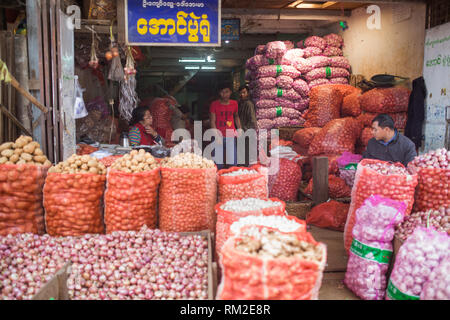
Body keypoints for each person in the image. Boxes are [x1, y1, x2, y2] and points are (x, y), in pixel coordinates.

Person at [209, 83, 242, 169]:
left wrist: (239, 128)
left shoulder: (234, 103)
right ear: (219, 93)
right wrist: (216, 136)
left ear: (230, 92)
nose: (224, 94)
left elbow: (236, 116)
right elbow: (212, 121)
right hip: (218, 135)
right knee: (218, 164)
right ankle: (218, 179)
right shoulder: (214, 104)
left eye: (226, 92)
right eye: (222, 92)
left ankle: (231, 179)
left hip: (230, 135)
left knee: (233, 162)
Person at [238, 85, 257, 166]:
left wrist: (246, 130)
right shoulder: (240, 103)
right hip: (242, 131)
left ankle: (246, 170)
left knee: (246, 153)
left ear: (248, 93)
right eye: (240, 93)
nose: (242, 94)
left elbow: (252, 120)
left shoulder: (249, 104)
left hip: (247, 132)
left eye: (244, 92)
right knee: (242, 152)